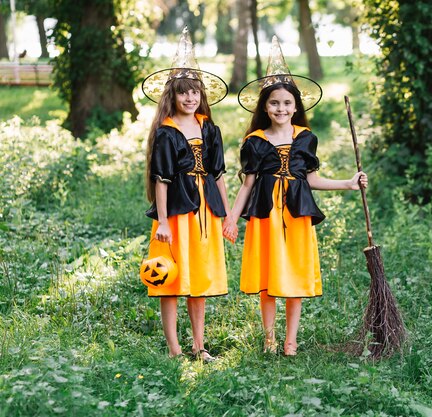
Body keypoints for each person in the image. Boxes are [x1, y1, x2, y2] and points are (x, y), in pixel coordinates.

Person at [223, 36, 367, 356]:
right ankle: (270, 337)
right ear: (264, 106)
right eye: (274, 103)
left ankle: (291, 340)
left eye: (288, 103)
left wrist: (348, 183)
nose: (281, 108)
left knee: (294, 275)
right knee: (270, 277)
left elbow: (311, 178)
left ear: (296, 106)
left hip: (296, 214)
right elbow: (247, 185)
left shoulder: (306, 138)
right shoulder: (255, 141)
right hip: (266, 216)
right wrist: (232, 219)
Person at [142, 27, 231, 362]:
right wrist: (163, 220)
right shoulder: (167, 132)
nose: (190, 99)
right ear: (173, 97)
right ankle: (175, 348)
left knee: (199, 277)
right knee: (171, 275)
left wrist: (225, 214)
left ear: (201, 95)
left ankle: (199, 345)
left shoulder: (210, 128)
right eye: (183, 94)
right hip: (176, 213)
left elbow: (217, 174)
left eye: (195, 92)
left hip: (204, 211)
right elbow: (161, 179)